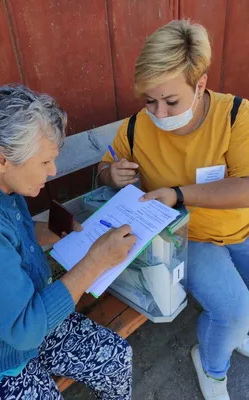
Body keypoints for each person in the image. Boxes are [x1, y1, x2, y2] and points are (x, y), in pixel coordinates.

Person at [0, 84, 136, 400]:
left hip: (26, 314)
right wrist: (96, 262)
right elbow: (25, 328)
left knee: (117, 358)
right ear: (1, 158)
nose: (53, 171)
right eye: (44, 162)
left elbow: (7, 237)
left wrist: (57, 230)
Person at [98, 19, 249, 400]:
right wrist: (109, 174)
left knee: (241, 311)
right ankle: (213, 368)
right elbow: (104, 168)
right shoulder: (135, 128)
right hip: (185, 237)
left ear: (200, 84)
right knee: (232, 312)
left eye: (171, 101)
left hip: (240, 228)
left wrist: (179, 194)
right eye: (149, 100)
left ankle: (232, 335)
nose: (160, 115)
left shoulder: (236, 116)